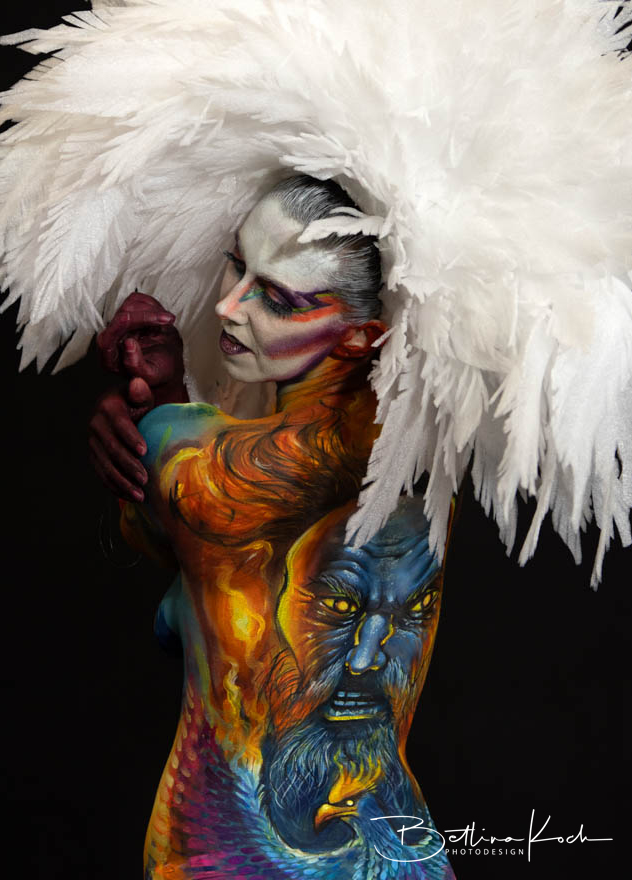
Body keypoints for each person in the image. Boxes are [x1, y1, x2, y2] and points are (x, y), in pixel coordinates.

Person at [89, 175, 455, 879]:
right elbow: (212, 569)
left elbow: (164, 536)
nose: (228, 306)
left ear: (362, 335)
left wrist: (152, 412)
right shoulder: (423, 457)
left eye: (278, 300)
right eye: (237, 265)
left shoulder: (188, 455)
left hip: (226, 857)